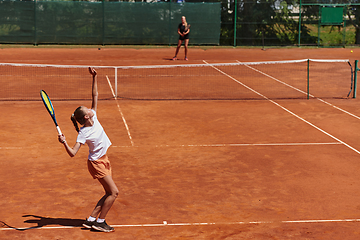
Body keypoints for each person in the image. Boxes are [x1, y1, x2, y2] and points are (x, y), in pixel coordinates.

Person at [58, 67, 119, 233]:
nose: (90, 108)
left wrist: (94, 77)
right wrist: (64, 142)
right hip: (96, 163)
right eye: (87, 109)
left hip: (103, 160)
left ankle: (91, 219)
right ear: (86, 117)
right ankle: (100, 222)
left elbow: (95, 95)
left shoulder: (95, 116)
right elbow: (73, 153)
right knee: (114, 193)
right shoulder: (83, 133)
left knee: (108, 192)